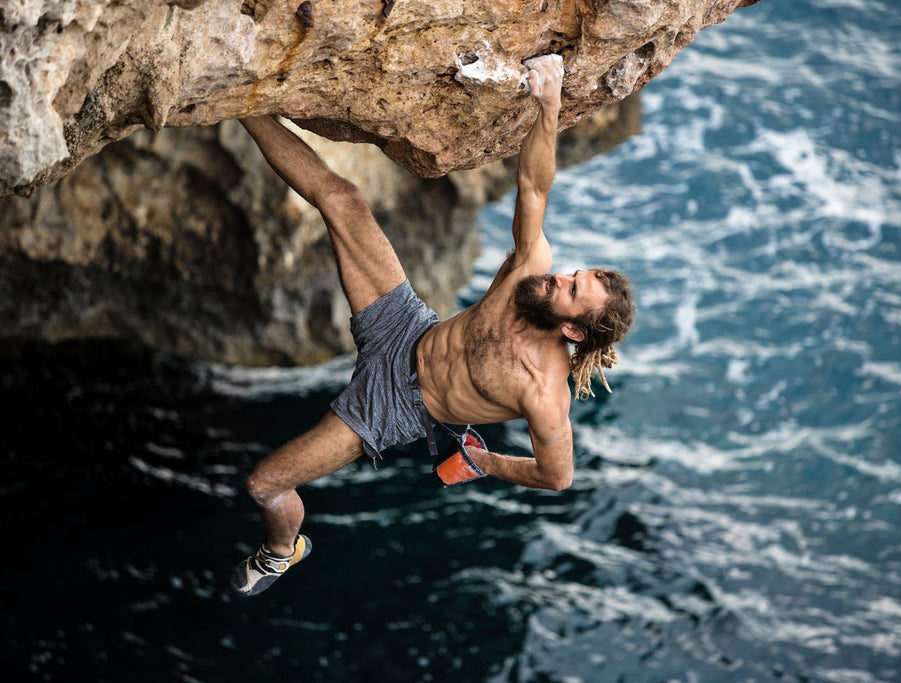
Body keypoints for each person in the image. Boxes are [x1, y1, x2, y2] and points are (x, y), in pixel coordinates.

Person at [230, 54, 635, 597]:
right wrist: (549, 108)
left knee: (266, 483)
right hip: (405, 328)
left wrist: (483, 459)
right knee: (343, 200)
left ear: (575, 332)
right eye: (573, 274)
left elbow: (557, 476)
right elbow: (534, 186)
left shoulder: (544, 393)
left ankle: (282, 552)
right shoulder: (529, 273)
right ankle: (240, 102)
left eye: (572, 290)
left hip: (396, 406)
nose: (560, 278)